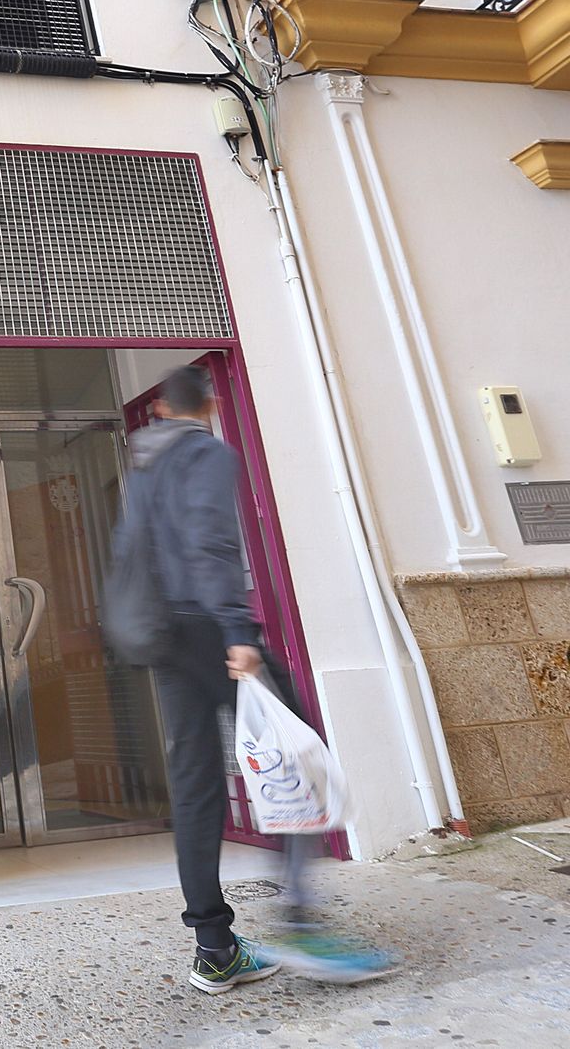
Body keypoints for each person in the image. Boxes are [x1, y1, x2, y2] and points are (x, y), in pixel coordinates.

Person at [125, 364, 395, 995]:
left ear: (160, 411)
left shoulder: (141, 470)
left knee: (195, 790)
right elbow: (211, 542)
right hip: (213, 633)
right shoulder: (208, 454)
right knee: (296, 757)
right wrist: (238, 632)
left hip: (164, 640)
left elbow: (136, 555)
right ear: (212, 405)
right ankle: (301, 924)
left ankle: (214, 949)